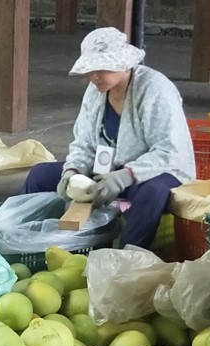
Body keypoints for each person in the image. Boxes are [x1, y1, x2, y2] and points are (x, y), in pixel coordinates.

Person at [22, 27, 195, 249]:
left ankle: (125, 256)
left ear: (124, 64)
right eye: (91, 70)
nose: (94, 76)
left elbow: (170, 150)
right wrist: (72, 171)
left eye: (102, 68)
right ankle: (27, 241)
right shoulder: (96, 90)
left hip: (154, 173)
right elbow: (83, 142)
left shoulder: (155, 89)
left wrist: (126, 175)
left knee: (153, 192)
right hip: (106, 171)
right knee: (40, 174)